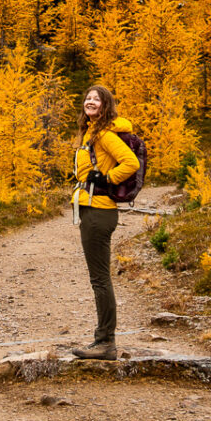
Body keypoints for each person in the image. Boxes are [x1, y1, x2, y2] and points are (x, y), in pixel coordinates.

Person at [69, 84, 139, 360]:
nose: (90, 101)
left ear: (106, 104)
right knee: (98, 278)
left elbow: (130, 163)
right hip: (90, 208)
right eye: (87, 98)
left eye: (96, 99)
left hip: (99, 210)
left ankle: (105, 342)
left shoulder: (105, 134)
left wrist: (107, 179)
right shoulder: (92, 131)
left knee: (100, 279)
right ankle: (103, 339)